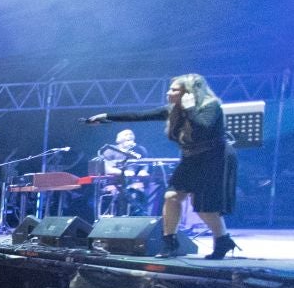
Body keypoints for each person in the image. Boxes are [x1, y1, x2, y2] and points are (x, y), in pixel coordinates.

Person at [86, 73, 237, 258]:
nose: (169, 92)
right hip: (191, 157)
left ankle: (222, 240)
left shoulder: (210, 106)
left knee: (205, 207)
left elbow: (203, 127)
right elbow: (139, 115)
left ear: (189, 93)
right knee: (172, 196)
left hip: (213, 157)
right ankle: (170, 243)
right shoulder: (173, 109)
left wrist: (190, 110)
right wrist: (107, 117)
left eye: (174, 89)